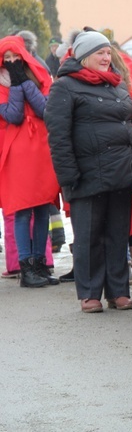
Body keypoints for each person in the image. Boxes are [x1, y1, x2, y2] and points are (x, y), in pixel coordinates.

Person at [45, 30, 132, 313]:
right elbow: (58, 136)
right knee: (88, 237)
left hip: (122, 173)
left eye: (108, 52)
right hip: (87, 175)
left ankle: (118, 291)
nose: (106, 57)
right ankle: (89, 293)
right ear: (84, 56)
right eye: (100, 53)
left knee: (117, 234)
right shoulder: (65, 87)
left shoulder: (117, 85)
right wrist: (68, 176)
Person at [0, 35, 60, 287]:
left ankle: (39, 265)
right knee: (23, 210)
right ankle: (26, 268)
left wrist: (23, 82)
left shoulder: (39, 77)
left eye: (16, 57)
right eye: (7, 59)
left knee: (43, 208)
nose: (13, 62)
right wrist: (17, 83)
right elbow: (13, 115)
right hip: (15, 154)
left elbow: (43, 110)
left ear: (24, 56)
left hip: (41, 152)